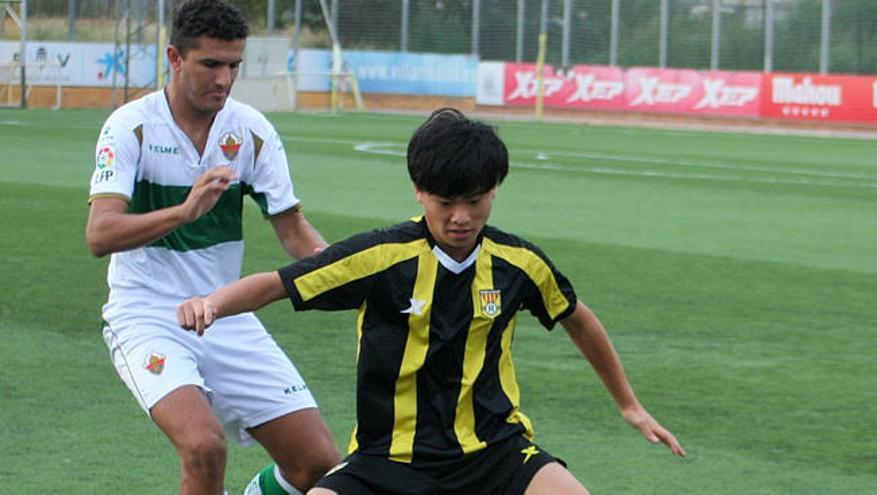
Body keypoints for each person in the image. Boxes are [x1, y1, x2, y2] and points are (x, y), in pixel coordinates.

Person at [177, 108, 686, 494]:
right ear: (419, 192)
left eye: (475, 200)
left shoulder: (520, 263)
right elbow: (277, 282)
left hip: (496, 454)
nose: (461, 216)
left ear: (495, 191)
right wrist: (213, 303)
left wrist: (629, 404)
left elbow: (577, 318)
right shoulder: (381, 257)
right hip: (389, 461)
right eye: (446, 203)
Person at [85, 1, 340, 493]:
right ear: (175, 58)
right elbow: (100, 235)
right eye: (210, 64)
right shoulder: (130, 126)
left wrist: (355, 272)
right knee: (204, 447)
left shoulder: (251, 132)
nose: (224, 79)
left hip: (224, 313)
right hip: (146, 316)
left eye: (233, 66)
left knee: (316, 464)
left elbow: (293, 231)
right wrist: (183, 213)